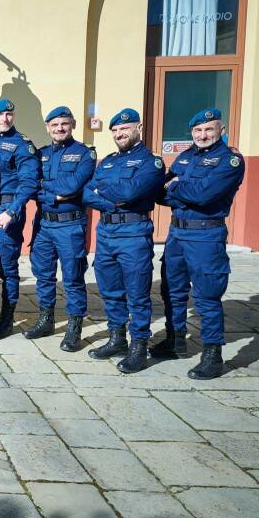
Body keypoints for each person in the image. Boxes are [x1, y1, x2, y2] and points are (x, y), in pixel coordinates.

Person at [156, 107, 245, 380]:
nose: (203, 134)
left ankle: (212, 355)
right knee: (172, 290)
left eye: (208, 129)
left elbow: (205, 195)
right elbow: (160, 192)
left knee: (207, 296)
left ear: (221, 130)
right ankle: (175, 340)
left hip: (206, 236)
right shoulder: (185, 158)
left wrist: (177, 189)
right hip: (176, 235)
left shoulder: (229, 161)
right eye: (197, 130)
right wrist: (180, 190)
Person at [83, 107, 165, 373]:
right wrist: (115, 200)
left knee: (137, 293)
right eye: (116, 130)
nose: (120, 134)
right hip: (106, 233)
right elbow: (87, 193)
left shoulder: (150, 162)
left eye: (125, 129)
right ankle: (116, 338)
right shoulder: (107, 161)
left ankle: (138, 345)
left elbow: (131, 192)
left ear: (138, 129)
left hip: (133, 233)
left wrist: (106, 192)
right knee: (110, 290)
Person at [24, 106, 96, 351]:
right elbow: (32, 186)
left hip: (70, 225)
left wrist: (48, 189)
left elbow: (72, 187)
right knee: (43, 275)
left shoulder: (85, 154)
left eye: (64, 124)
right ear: (48, 127)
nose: (60, 128)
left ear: (73, 124)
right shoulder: (40, 154)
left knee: (73, 277)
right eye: (55, 125)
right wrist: (53, 192)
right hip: (44, 225)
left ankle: (74, 327)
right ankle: (46, 320)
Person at [0, 99, 40, 339]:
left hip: (7, 209)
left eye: (9, 114)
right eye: (1, 115)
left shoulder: (22, 145)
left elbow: (28, 182)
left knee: (7, 268)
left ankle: (7, 318)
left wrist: (12, 211)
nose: (5, 119)